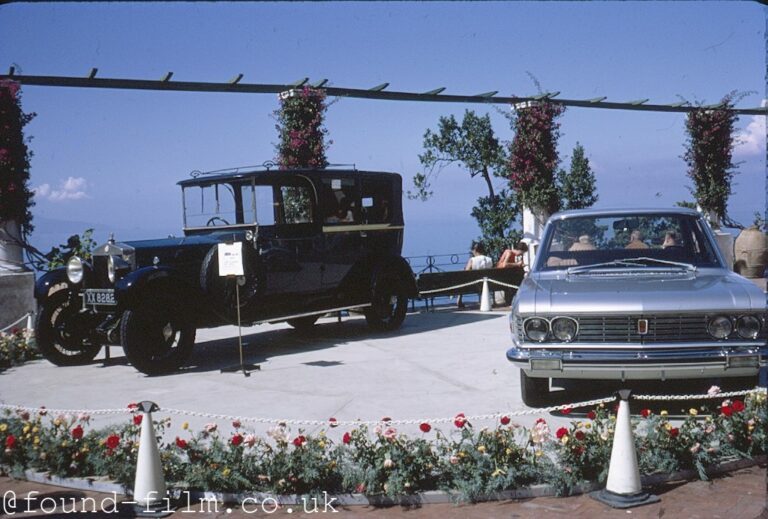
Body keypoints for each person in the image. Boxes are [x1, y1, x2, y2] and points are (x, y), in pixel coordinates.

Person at [457, 242, 492, 308]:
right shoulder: (489, 260)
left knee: (461, 279)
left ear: (475, 250)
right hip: (487, 284)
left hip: (473, 285)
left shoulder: (472, 260)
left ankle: (459, 300)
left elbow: (465, 273)